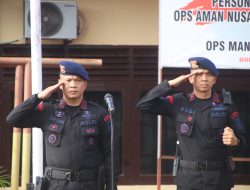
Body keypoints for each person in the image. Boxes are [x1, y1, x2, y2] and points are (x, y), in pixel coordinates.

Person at [137, 57, 247, 190]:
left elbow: (244, 141)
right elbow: (144, 105)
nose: (204, 78)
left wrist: (236, 141)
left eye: (209, 74)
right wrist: (170, 84)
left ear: (214, 79)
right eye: (199, 74)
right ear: (190, 78)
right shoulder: (178, 102)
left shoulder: (226, 105)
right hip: (188, 181)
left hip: (218, 180)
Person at [6, 61, 119, 190]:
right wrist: (38, 97)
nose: (73, 85)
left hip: (89, 184)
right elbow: (13, 119)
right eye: (68, 80)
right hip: (56, 185)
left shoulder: (98, 113)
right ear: (60, 84)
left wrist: (111, 186)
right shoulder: (48, 110)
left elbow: (110, 154)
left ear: (85, 85)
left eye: (78, 80)